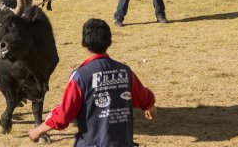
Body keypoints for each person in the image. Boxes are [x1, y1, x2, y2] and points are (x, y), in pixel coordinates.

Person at [28, 18, 156, 145]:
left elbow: (64, 114)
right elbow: (144, 98)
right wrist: (149, 106)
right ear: (110, 42)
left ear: (83, 43)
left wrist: (38, 130)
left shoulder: (80, 76)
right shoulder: (125, 71)